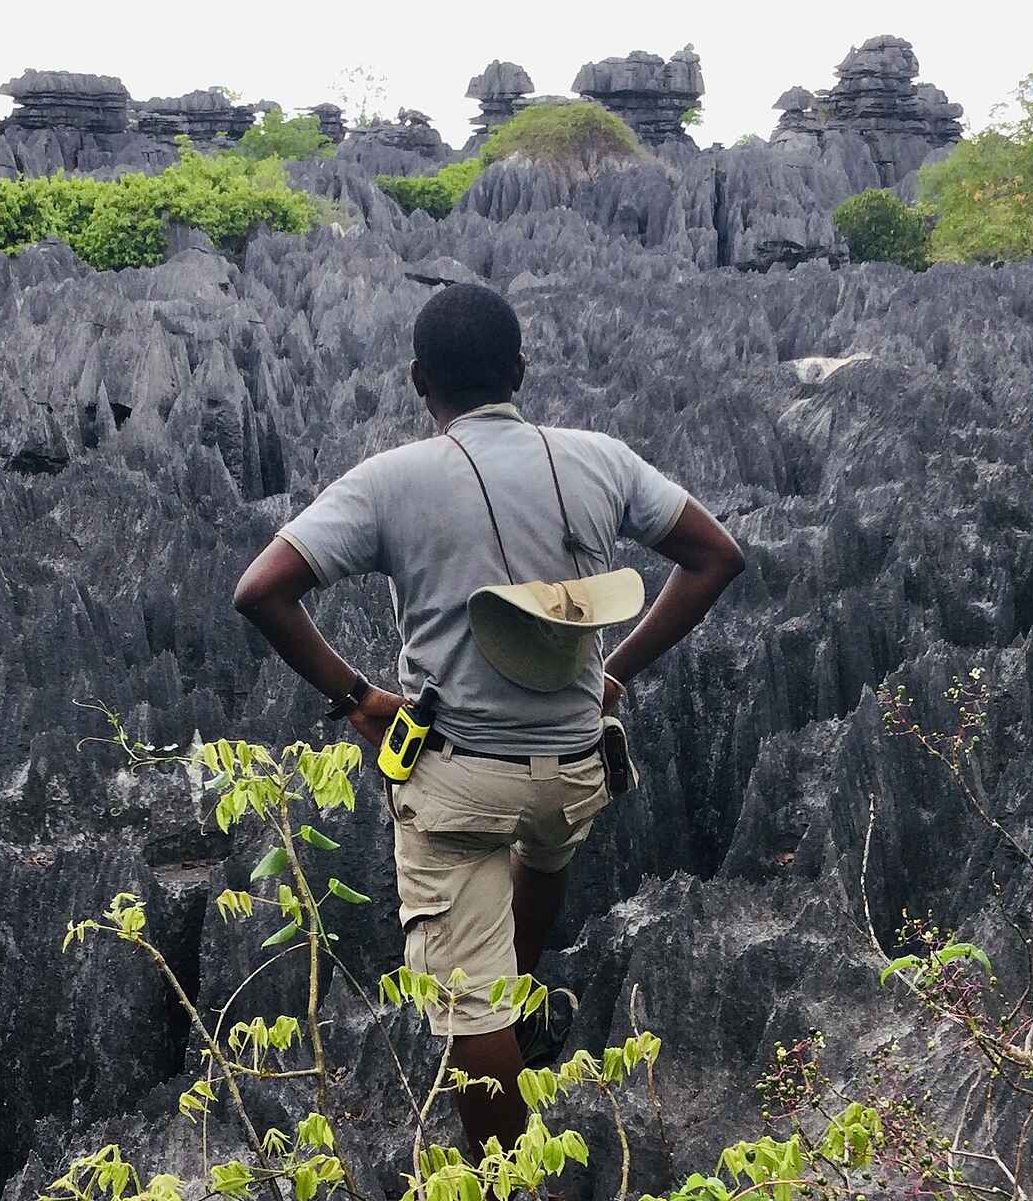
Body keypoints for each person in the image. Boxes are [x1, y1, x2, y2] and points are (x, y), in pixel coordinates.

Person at [232, 282, 745, 1147]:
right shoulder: (601, 459)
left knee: (470, 1011)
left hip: (459, 780)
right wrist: (613, 672)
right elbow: (715, 558)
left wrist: (358, 699)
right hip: (578, 770)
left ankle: (505, 1167)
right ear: (520, 370)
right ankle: (523, 989)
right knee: (542, 855)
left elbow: (261, 592)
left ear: (417, 380)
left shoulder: (388, 480)